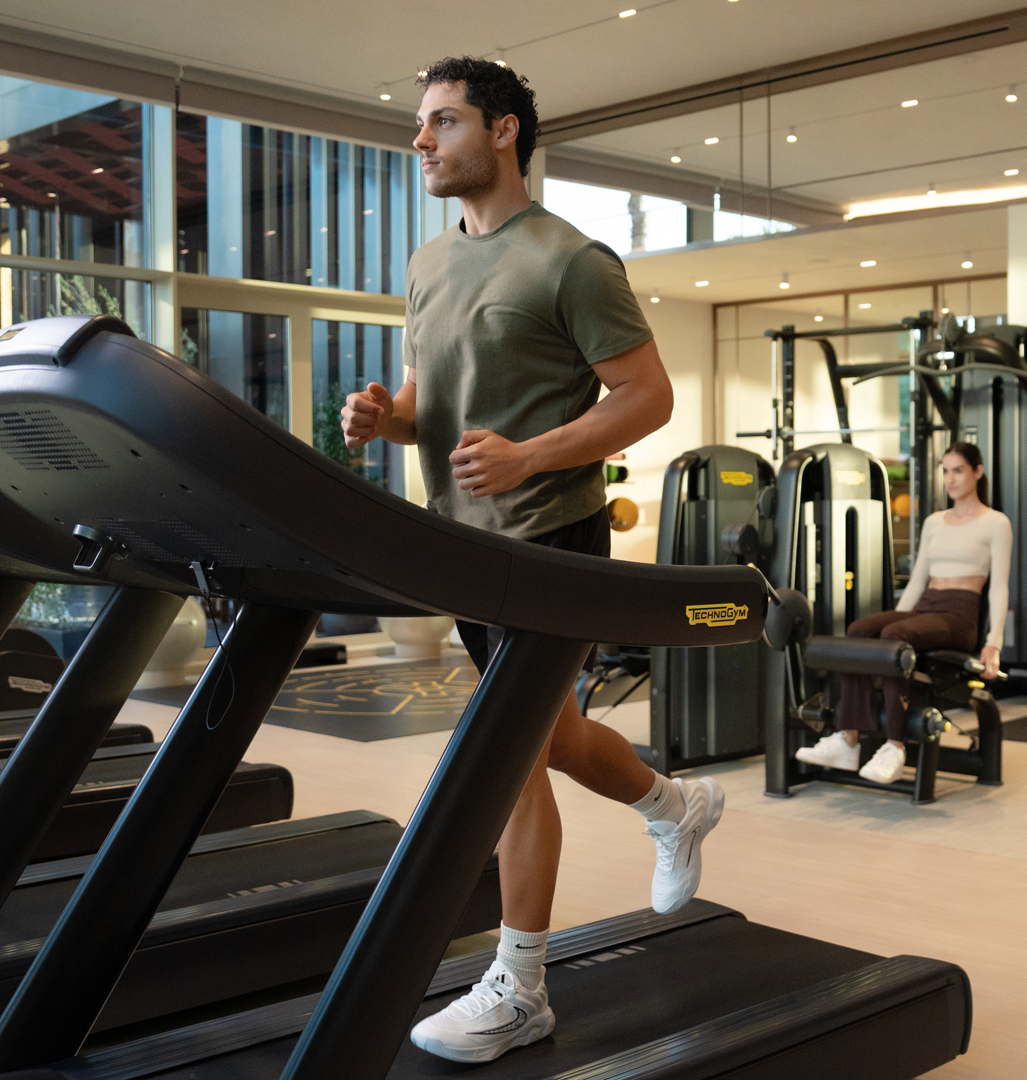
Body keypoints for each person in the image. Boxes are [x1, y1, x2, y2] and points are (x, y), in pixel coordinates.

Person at [339, 57, 720, 1064]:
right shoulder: (428, 263)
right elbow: (425, 401)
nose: (421, 140)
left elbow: (647, 396)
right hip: (459, 542)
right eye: (421, 124)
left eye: (444, 121)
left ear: (503, 131)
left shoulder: (572, 260)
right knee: (549, 738)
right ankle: (675, 805)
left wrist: (531, 455)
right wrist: (384, 417)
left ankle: (521, 985)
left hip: (550, 536)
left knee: (505, 751)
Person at [795, 443, 1011, 784]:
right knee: (859, 630)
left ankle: (895, 747)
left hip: (960, 614)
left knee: (895, 636)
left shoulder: (996, 523)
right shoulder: (935, 522)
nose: (950, 479)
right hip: (927, 605)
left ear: (977, 472)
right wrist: (898, 622)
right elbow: (918, 580)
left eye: (958, 470)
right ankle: (848, 740)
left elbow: (999, 587)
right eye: (945, 470)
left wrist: (993, 643)